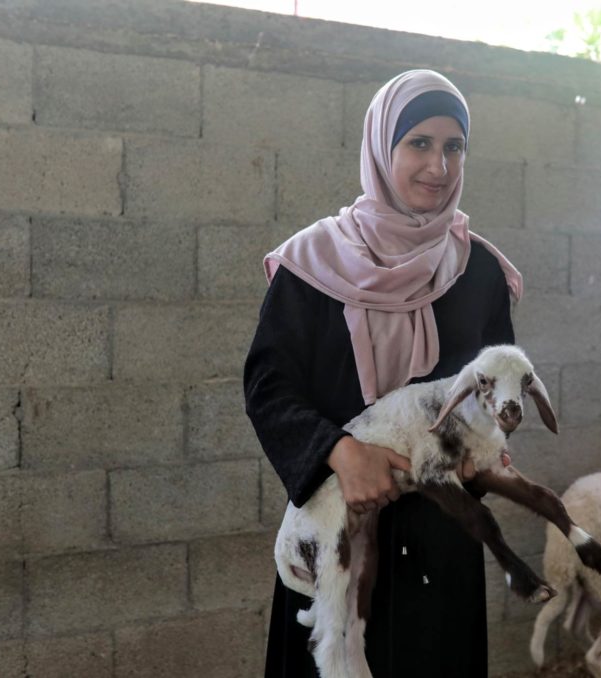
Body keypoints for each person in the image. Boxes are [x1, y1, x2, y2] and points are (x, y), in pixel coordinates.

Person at [244, 68, 523, 678]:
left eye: (454, 147)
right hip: (337, 522)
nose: (439, 166)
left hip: (440, 536)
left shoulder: (479, 273)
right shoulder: (313, 263)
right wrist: (341, 453)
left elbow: (495, 387)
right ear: (380, 147)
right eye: (418, 143)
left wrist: (487, 452)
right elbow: (270, 388)